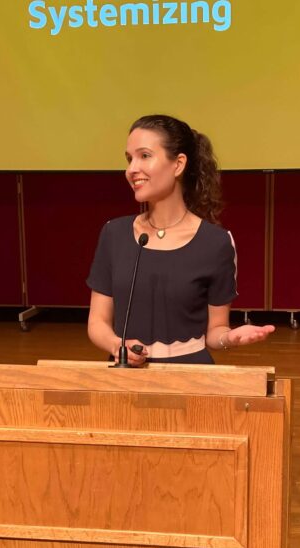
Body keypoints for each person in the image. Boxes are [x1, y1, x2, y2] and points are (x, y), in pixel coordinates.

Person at [86, 114, 274, 366]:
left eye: (144, 156)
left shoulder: (216, 243)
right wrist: (117, 346)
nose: (131, 170)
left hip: (191, 378)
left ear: (178, 164)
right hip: (125, 376)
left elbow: (215, 331)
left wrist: (231, 337)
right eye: (129, 159)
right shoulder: (113, 234)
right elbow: (97, 322)